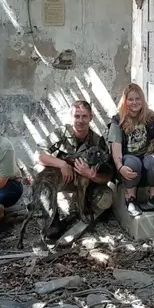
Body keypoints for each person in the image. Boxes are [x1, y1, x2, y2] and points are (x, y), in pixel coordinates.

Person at [37, 100, 115, 241]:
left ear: (91, 117)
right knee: (43, 176)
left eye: (84, 116)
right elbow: (39, 155)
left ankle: (81, 208)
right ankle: (52, 221)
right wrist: (62, 164)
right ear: (71, 117)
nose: (80, 120)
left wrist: (92, 175)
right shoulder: (61, 133)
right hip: (64, 178)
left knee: (106, 199)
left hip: (86, 182)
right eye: (76, 116)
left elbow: (108, 174)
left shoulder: (97, 141)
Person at [108, 83, 154, 217]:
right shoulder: (118, 120)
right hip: (127, 157)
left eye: (138, 99)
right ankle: (130, 199)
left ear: (142, 100)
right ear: (125, 101)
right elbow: (116, 148)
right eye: (131, 99)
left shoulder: (150, 117)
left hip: (147, 155)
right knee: (132, 163)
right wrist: (120, 167)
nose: (135, 102)